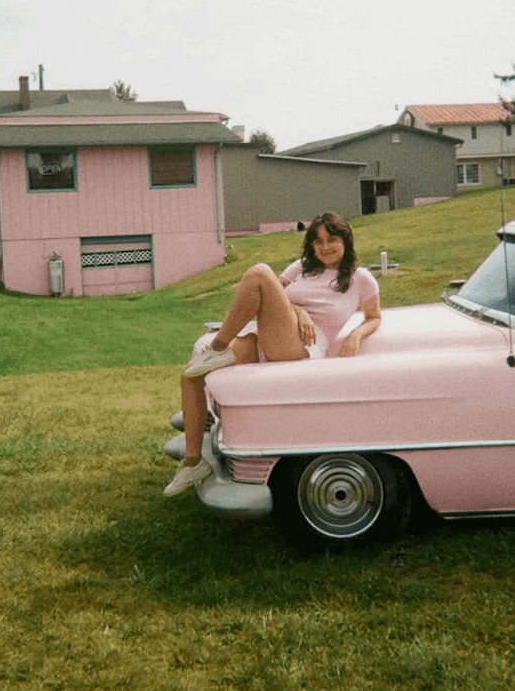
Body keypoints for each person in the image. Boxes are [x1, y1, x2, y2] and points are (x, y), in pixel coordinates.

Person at [163, 211, 381, 497]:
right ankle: (193, 462)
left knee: (259, 272)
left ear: (346, 240)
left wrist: (355, 334)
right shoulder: (301, 267)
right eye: (318, 242)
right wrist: (299, 311)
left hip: (303, 345)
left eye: (332, 240)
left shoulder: (360, 278)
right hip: (268, 334)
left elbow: (374, 317)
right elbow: (268, 298)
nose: (325, 247)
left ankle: (217, 348)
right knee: (192, 373)